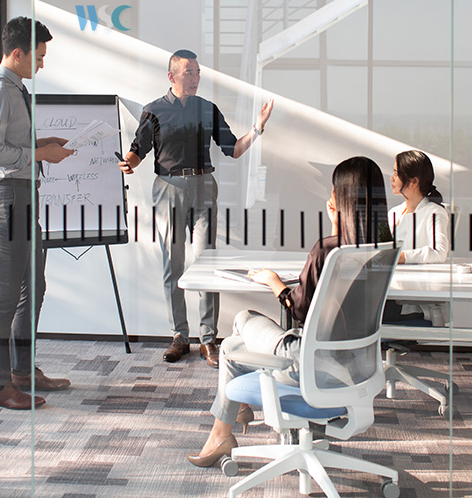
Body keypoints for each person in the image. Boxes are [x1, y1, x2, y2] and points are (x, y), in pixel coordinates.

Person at [187, 156, 388, 467]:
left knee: (242, 320)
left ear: (342, 200)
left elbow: (301, 311)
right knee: (231, 348)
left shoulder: (327, 251)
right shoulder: (382, 250)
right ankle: (222, 433)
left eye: (333, 189)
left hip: (306, 364)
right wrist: (338, 229)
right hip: (354, 369)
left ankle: (230, 421)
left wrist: (274, 282)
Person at [119, 49, 273, 368]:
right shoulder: (154, 110)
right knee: (172, 264)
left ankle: (207, 339)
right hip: (168, 187)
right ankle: (179, 336)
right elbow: (138, 150)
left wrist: (257, 128)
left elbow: (233, 149)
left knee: (207, 263)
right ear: (172, 75)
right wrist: (128, 163)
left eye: (198, 72)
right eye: (189, 72)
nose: (195, 78)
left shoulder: (207, 109)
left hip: (204, 186)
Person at [0, 17, 75, 410]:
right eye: (37, 57)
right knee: (4, 300)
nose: (41, 64)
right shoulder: (0, 92)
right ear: (16, 54)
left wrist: (44, 143)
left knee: (33, 288)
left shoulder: (17, 89)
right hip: (7, 200)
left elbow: (11, 142)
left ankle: (21, 371)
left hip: (23, 197)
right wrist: (39, 153)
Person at [388, 149, 450, 325]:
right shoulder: (393, 213)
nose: (391, 178)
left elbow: (439, 252)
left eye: (396, 173)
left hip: (411, 298)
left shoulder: (434, 212)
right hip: (391, 289)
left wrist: (401, 257)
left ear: (414, 181)